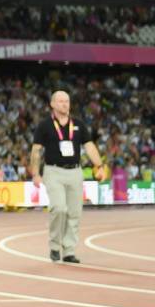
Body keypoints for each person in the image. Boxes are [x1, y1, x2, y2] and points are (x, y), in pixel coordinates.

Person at [30, 90, 108, 264]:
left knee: (74, 213)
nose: (65, 104)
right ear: (52, 104)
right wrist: (35, 173)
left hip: (75, 172)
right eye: (60, 101)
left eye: (67, 101)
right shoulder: (45, 125)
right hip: (54, 171)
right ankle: (55, 247)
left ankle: (69, 250)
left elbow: (89, 146)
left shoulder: (78, 124)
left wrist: (99, 166)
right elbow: (36, 151)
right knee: (59, 209)